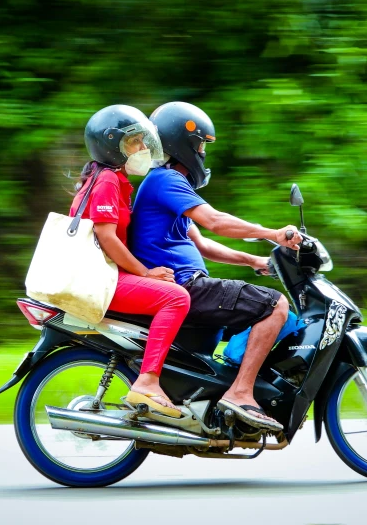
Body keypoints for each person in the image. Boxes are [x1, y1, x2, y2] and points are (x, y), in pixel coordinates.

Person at [129, 102, 302, 431]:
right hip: (185, 286)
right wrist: (272, 234)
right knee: (274, 305)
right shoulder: (166, 181)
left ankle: (226, 388)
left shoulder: (163, 184)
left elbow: (204, 244)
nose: (202, 153)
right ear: (181, 143)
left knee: (256, 311)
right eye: (200, 144)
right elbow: (215, 222)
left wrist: (255, 260)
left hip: (187, 283)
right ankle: (240, 393)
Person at [70, 105, 190, 418]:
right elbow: (107, 237)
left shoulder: (114, 180)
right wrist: (146, 272)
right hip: (99, 278)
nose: (142, 149)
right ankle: (148, 382)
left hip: (103, 275)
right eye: (134, 142)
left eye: (141, 141)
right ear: (113, 146)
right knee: (176, 298)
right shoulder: (108, 180)